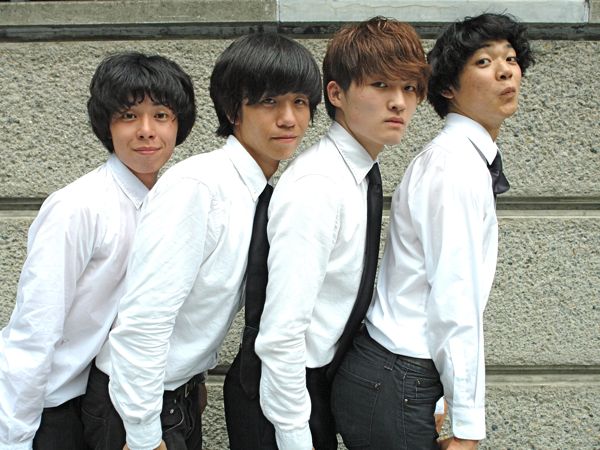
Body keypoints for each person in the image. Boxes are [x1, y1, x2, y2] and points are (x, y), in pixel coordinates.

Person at [84, 33, 322, 450]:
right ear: (233, 110)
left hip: (177, 398)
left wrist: (193, 382)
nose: (288, 119)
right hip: (135, 410)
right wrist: (143, 434)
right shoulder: (199, 186)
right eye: (269, 102)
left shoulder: (259, 193)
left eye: (299, 102)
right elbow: (145, 319)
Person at [331, 13, 534, 450]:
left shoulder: (458, 160)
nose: (505, 71)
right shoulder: (454, 167)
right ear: (447, 88)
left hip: (397, 374)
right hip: (396, 376)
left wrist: (441, 393)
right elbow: (454, 300)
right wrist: (467, 427)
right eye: (484, 62)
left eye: (511, 59)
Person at [247, 17, 430, 450]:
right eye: (381, 85)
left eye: (409, 88)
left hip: (320, 383)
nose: (399, 102)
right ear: (336, 94)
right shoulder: (318, 185)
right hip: (286, 397)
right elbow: (281, 333)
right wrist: (295, 435)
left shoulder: (357, 175)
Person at [0, 51, 196, 450]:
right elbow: (34, 330)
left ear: (179, 124)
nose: (146, 130)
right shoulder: (77, 207)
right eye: (128, 116)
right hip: (55, 408)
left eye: (161, 115)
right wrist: (15, 439)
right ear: (107, 124)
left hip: (116, 401)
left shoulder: (168, 203)